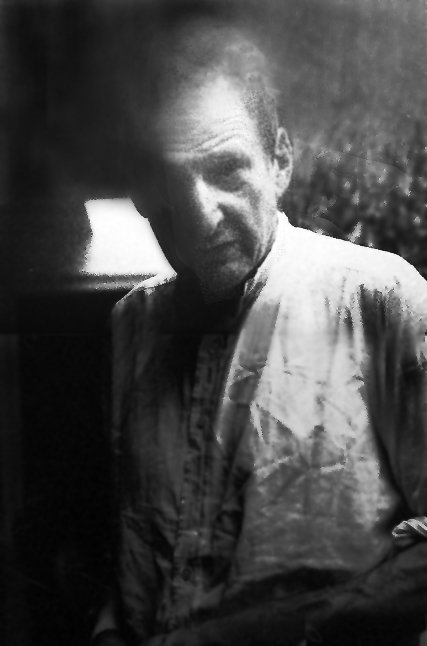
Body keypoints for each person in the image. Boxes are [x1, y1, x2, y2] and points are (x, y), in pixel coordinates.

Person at [92, 12, 427, 646]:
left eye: (226, 170)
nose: (198, 219)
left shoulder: (380, 300)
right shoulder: (131, 324)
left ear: (280, 161)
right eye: (167, 179)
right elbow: (131, 554)